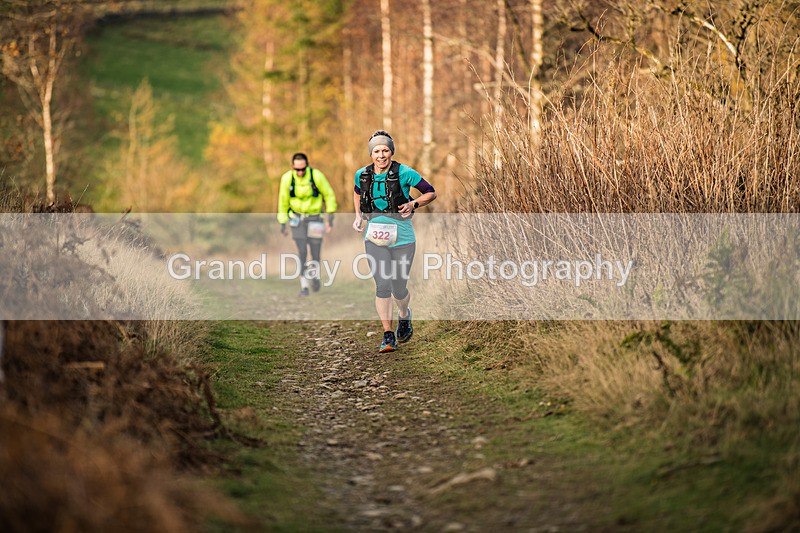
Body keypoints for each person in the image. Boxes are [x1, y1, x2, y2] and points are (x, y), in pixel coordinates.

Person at [353, 130, 437, 352]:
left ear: (391, 152)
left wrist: (413, 204)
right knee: (383, 284)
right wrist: (358, 216)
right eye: (377, 151)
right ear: (371, 153)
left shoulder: (405, 173)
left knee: (398, 287)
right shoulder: (361, 174)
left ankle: (403, 314)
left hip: (403, 240)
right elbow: (356, 192)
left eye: (385, 150)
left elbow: (430, 192)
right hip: (374, 239)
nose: (381, 155)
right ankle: (388, 335)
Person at [277, 153, 337, 296]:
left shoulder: (316, 176)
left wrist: (331, 216)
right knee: (302, 252)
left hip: (315, 219)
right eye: (297, 169)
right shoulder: (287, 179)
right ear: (292, 167)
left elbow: (329, 195)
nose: (300, 172)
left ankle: (315, 277)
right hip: (297, 220)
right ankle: (304, 286)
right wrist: (282, 222)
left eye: (303, 169)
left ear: (307, 166)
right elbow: (283, 201)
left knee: (315, 253)